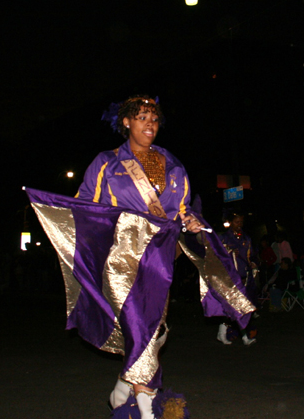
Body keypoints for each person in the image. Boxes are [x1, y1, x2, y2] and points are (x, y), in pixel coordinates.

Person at [30, 95, 254, 419]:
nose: (150, 124)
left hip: (160, 260)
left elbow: (182, 210)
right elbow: (85, 207)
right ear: (126, 122)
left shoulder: (172, 164)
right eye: (142, 117)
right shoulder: (107, 162)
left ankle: (121, 390)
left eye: (154, 118)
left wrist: (190, 221)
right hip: (120, 260)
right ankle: (148, 409)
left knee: (156, 330)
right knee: (140, 327)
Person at [217, 212, 257, 345]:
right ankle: (243, 336)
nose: (239, 225)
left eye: (241, 222)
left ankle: (224, 332)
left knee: (241, 307)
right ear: (230, 222)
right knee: (235, 306)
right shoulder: (224, 238)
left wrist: (253, 262)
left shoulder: (246, 238)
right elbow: (217, 255)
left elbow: (251, 255)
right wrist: (229, 252)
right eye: (236, 222)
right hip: (230, 277)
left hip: (244, 275)